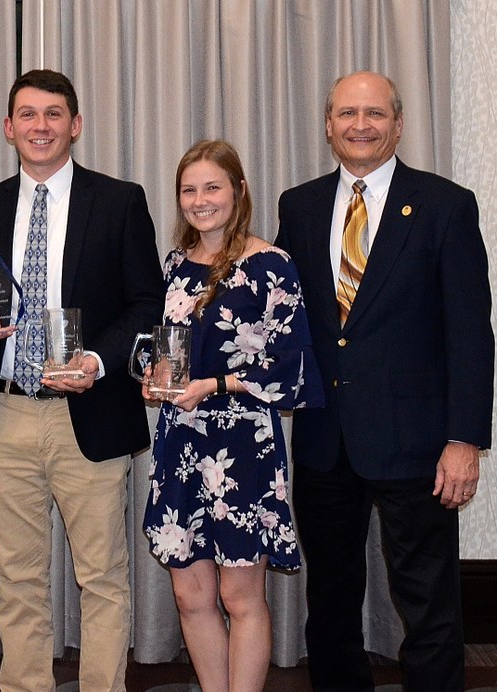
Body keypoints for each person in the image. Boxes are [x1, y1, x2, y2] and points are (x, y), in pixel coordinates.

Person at [275, 71, 493, 692]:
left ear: (398, 124)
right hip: (324, 442)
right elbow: (287, 320)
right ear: (328, 125)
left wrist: (464, 439)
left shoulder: (446, 204)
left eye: (374, 113)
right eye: (347, 113)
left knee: (427, 607)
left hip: (419, 445)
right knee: (332, 607)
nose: (360, 125)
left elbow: (470, 334)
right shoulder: (301, 204)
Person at [0, 69, 165, 691]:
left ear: (75, 125)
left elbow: (146, 302)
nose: (39, 126)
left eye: (53, 115)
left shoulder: (120, 199)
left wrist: (98, 361)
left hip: (91, 415)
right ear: (8, 127)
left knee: (101, 576)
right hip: (7, 414)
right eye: (27, 114)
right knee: (17, 577)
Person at [142, 139, 323, 692]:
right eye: (189, 190)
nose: (200, 201)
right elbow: (163, 347)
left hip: (243, 448)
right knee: (190, 595)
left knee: (238, 596)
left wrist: (215, 384)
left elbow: (290, 370)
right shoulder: (174, 265)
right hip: (181, 444)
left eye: (212, 187)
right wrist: (151, 373)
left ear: (239, 190)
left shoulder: (272, 265)